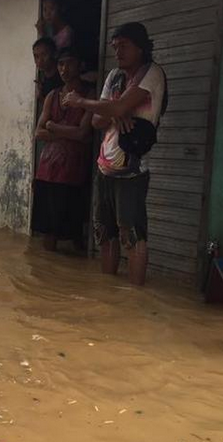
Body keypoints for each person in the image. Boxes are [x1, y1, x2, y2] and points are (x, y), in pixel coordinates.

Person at [63, 22, 167, 286]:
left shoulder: (151, 74)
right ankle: (109, 294)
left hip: (133, 168)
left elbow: (114, 107)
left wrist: (83, 101)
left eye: (124, 46)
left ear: (141, 47)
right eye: (115, 47)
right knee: (105, 234)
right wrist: (116, 113)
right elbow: (98, 121)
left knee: (131, 235)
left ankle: (134, 299)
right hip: (105, 165)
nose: (118, 52)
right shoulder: (114, 77)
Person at [33, 48, 93, 252]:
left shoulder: (89, 94)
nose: (64, 69)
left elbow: (84, 134)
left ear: (79, 65)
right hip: (47, 170)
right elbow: (39, 132)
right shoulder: (53, 95)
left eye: (69, 63)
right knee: (48, 232)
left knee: (75, 232)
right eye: (60, 64)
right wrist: (68, 132)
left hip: (72, 173)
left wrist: (54, 127)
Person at [33, 37, 63, 107]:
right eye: (36, 57)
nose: (40, 61)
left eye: (44, 55)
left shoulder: (63, 77)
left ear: (54, 54)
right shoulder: (42, 79)